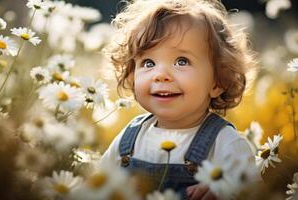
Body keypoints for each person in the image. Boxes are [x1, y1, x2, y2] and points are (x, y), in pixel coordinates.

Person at [101, 0, 257, 199]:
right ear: (132, 74)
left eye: (181, 61)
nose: (160, 75)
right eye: (148, 63)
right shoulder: (128, 140)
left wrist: (226, 191)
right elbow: (98, 186)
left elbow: (256, 192)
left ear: (218, 82)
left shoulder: (225, 143)